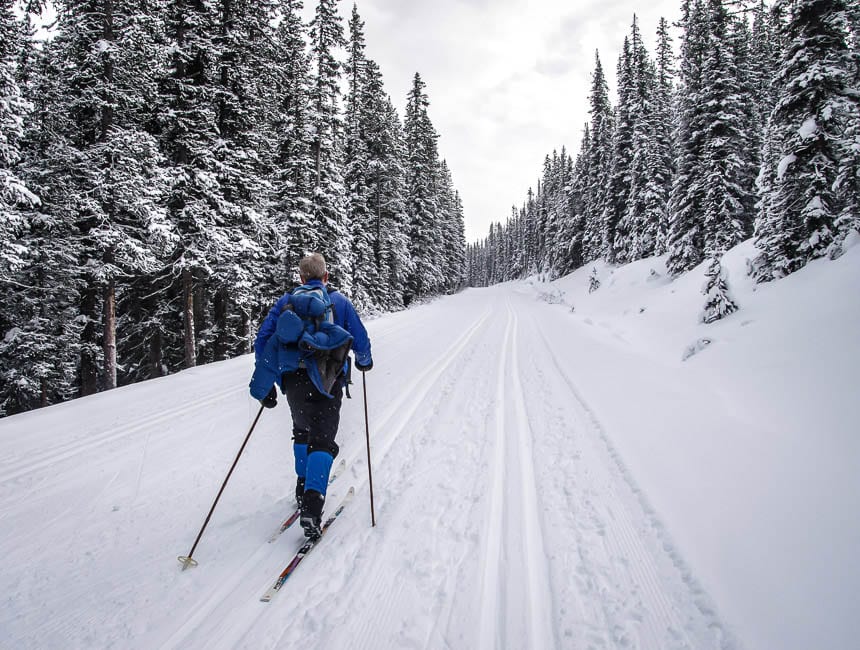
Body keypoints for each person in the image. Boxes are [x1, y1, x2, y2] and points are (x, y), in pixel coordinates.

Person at [251, 253, 372, 538]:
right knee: (323, 439)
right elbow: (360, 336)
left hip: (292, 380)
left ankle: (301, 485)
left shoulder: (286, 303)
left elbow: (262, 341)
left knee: (301, 431)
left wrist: (266, 384)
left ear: (301, 278)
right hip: (328, 379)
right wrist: (364, 360)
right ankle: (312, 505)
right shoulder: (339, 302)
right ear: (326, 276)